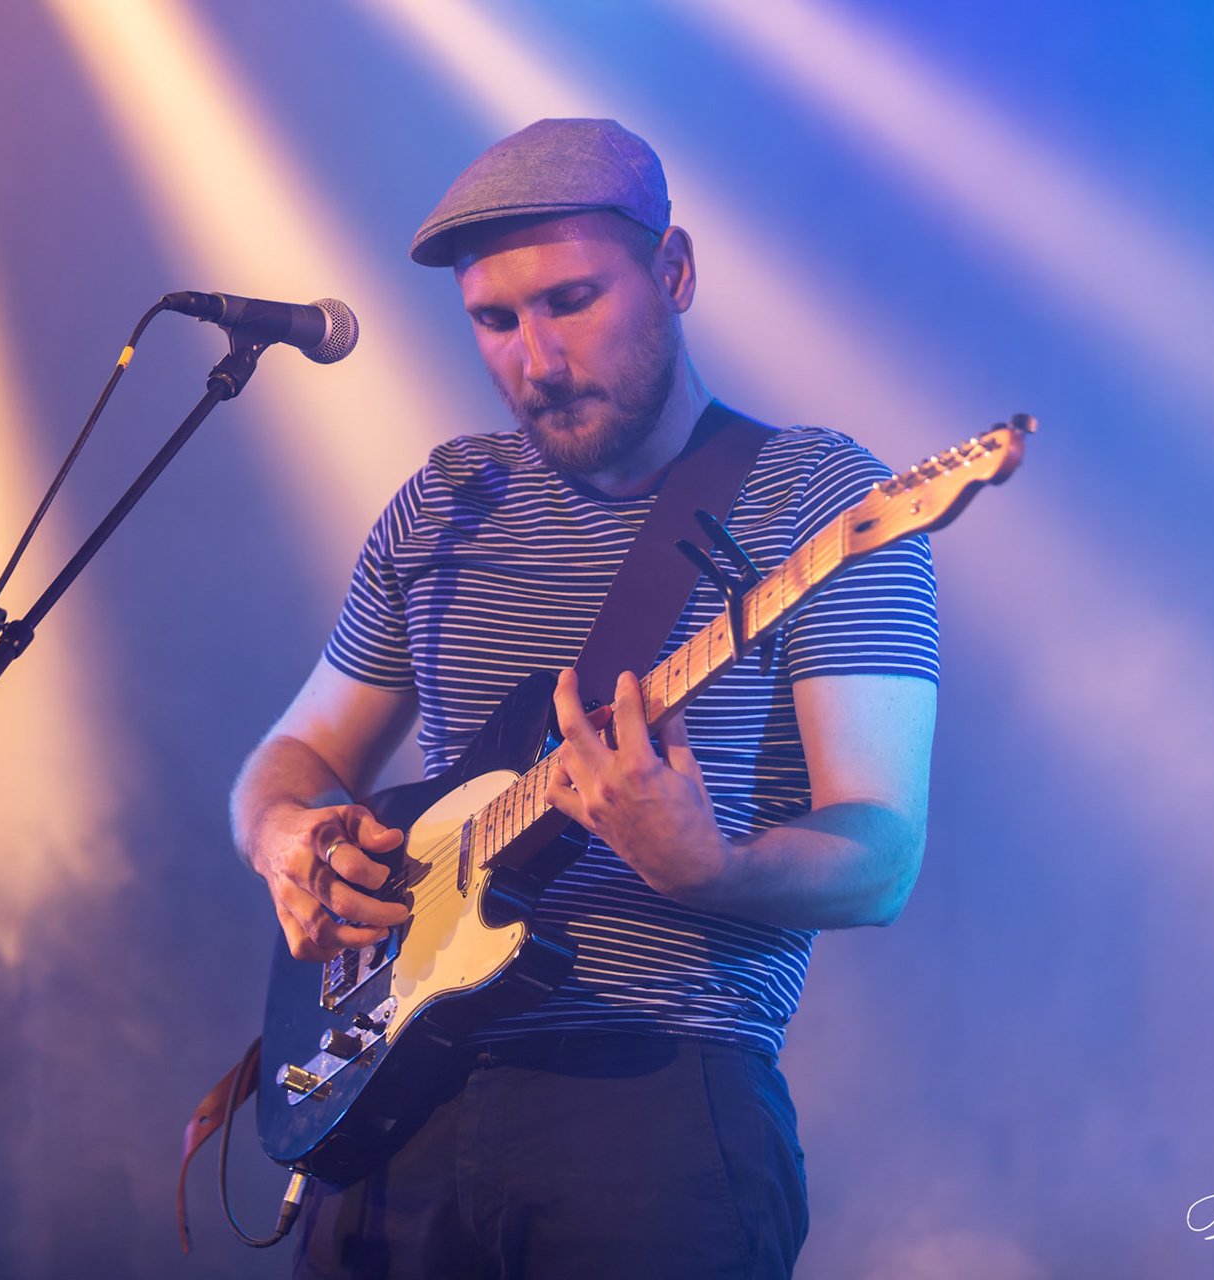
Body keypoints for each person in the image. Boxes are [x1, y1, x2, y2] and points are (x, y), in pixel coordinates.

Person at [230, 118, 939, 1279]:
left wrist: (709, 866)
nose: (535, 359)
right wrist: (288, 839)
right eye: (495, 321)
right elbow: (294, 755)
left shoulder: (822, 498)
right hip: (392, 1110)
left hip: (654, 1097)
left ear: (675, 272)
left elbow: (883, 852)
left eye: (570, 302)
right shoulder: (445, 500)